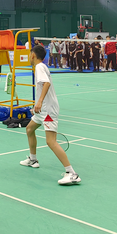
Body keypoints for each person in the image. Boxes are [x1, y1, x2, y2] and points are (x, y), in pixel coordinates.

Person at [20, 45, 81, 185]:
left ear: (33, 55)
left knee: (51, 141)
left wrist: (40, 102)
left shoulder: (39, 67)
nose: (29, 56)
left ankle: (72, 173)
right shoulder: (41, 67)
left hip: (48, 111)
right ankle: (33, 159)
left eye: (30, 54)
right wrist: (37, 105)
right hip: (42, 110)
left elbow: (46, 84)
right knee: (29, 129)